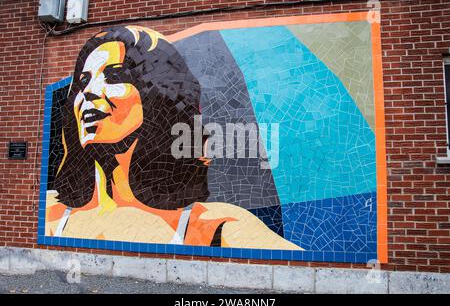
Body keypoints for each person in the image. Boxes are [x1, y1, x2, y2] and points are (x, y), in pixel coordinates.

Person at [46, 25, 301, 250]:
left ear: (157, 97)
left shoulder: (215, 226)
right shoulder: (50, 215)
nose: (89, 92)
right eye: (83, 82)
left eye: (113, 76)